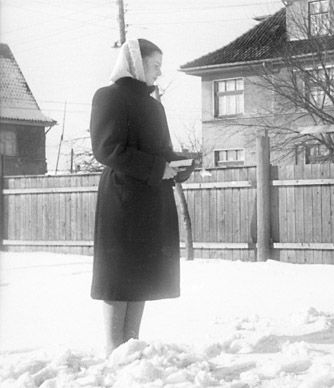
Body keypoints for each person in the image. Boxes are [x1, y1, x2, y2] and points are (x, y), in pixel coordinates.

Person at [90, 39, 190, 355]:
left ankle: (130, 346)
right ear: (136, 63)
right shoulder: (108, 97)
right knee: (119, 275)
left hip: (151, 200)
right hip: (121, 199)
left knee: (141, 272)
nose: (160, 73)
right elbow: (107, 149)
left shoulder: (153, 105)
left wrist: (180, 164)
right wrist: (156, 168)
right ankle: (111, 348)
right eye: (155, 65)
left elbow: (160, 152)